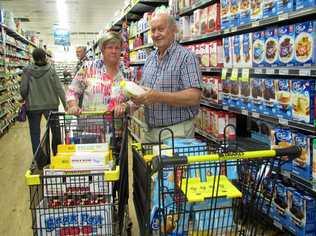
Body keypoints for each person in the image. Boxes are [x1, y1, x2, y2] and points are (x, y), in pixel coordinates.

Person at [131, 12, 202, 143]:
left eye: (161, 29)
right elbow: (145, 92)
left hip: (176, 133)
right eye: (153, 30)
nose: (156, 34)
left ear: (173, 30)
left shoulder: (186, 57)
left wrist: (158, 97)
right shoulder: (150, 59)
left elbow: (194, 97)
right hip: (149, 132)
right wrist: (132, 99)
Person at [66, 32, 130, 117]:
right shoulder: (88, 67)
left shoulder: (126, 72)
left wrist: (125, 105)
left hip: (118, 127)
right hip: (90, 126)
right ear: (102, 50)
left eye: (117, 48)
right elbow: (72, 91)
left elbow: (136, 99)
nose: (114, 51)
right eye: (110, 47)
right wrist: (73, 105)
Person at [20, 48, 66, 155]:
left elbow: (23, 89)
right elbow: (59, 88)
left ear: (33, 58)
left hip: (33, 106)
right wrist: (66, 104)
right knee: (56, 131)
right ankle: (56, 154)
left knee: (35, 133)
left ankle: (39, 160)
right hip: (51, 105)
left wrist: (24, 97)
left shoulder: (27, 70)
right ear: (45, 56)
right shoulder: (51, 70)